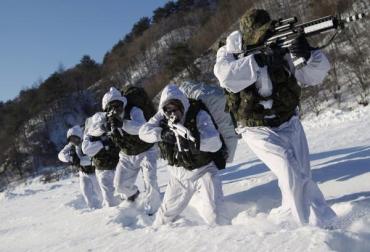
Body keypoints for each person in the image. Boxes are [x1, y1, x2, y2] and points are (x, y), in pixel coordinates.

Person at [213, 9, 336, 227]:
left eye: (266, 31)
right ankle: (314, 228)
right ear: (249, 36)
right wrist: (258, 59)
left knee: (302, 177)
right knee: (290, 171)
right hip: (256, 127)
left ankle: (288, 219)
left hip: (288, 121)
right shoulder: (230, 52)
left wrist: (309, 55)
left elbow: (312, 77)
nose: (265, 37)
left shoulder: (280, 47)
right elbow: (226, 77)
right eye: (259, 34)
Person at [139, 84, 225, 226]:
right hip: (178, 176)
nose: (173, 112)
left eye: (176, 107)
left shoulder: (198, 114)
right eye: (168, 109)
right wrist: (162, 134)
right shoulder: (162, 117)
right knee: (162, 220)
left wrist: (193, 141)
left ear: (182, 105)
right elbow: (143, 132)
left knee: (216, 217)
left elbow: (215, 143)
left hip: (204, 172)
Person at [102, 87, 161, 215]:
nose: (115, 109)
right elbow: (93, 130)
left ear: (122, 102)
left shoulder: (134, 110)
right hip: (127, 155)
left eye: (117, 105)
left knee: (150, 182)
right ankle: (135, 196)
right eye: (110, 107)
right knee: (119, 185)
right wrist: (104, 128)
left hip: (146, 150)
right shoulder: (109, 119)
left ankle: (154, 211)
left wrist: (122, 124)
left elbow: (141, 128)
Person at [82, 112, 120, 207]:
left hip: (118, 166)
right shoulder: (89, 135)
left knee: (124, 191)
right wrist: (102, 143)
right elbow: (86, 149)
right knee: (109, 199)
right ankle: (115, 216)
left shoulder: (113, 127)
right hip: (102, 169)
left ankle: (132, 211)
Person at [58, 125, 101, 209]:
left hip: (94, 172)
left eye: (75, 138)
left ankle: (107, 206)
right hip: (83, 173)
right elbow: (60, 155)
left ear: (80, 136)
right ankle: (92, 208)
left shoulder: (87, 141)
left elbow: (92, 158)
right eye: (71, 139)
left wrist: (79, 161)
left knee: (100, 191)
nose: (74, 141)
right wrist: (69, 158)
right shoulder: (71, 145)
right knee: (86, 192)